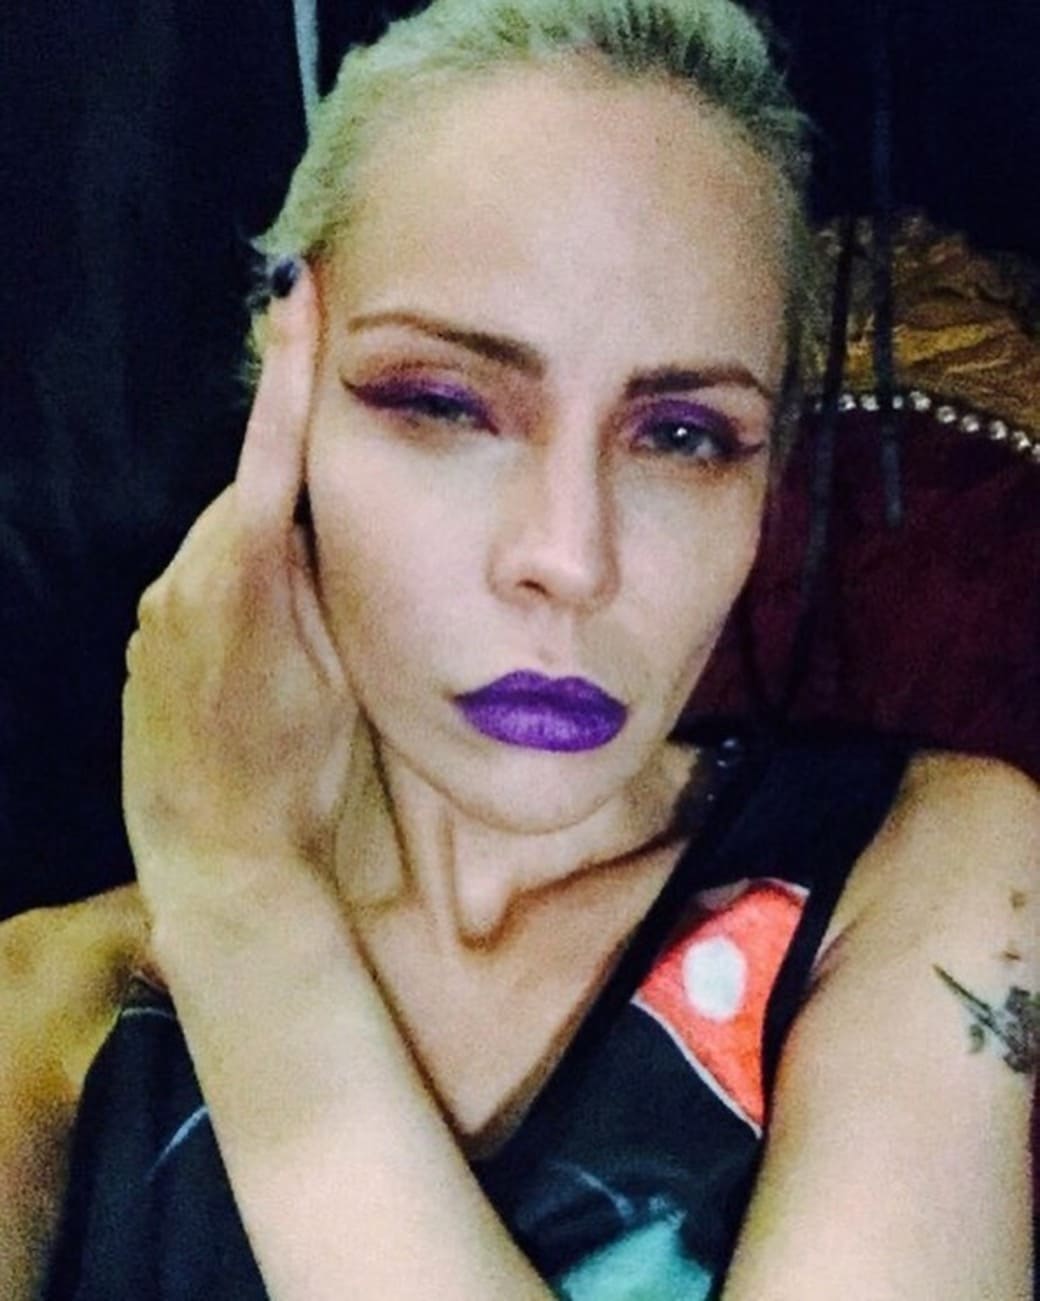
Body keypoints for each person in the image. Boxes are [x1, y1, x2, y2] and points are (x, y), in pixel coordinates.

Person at [2, 0, 1036, 1296]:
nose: (569, 556)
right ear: (287, 391)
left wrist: (241, 898)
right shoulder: (44, 1020)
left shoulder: (933, 864)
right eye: (447, 404)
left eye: (682, 435)